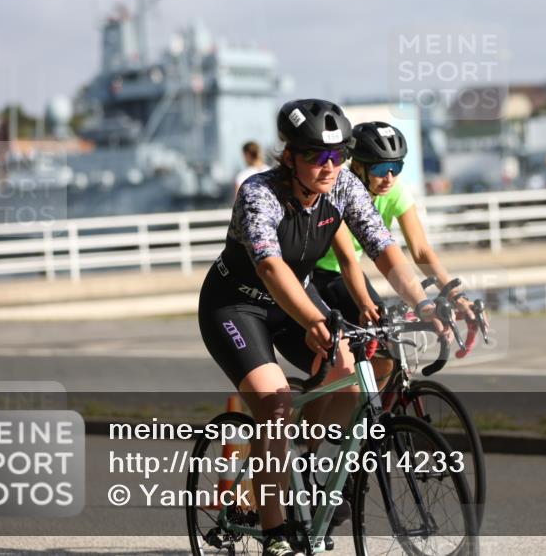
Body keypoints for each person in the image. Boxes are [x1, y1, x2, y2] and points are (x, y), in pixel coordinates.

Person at [198, 100, 449, 556]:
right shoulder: (259, 194)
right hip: (236, 306)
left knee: (350, 378)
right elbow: (270, 267)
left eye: (337, 155)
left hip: (295, 300)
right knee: (275, 405)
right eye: (316, 156)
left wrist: (424, 302)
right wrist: (314, 319)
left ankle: (298, 460)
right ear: (290, 156)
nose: (329, 166)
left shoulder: (344, 187)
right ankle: (275, 532)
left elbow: (383, 248)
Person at [312, 121, 487, 379]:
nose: (389, 178)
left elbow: (421, 251)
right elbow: (346, 257)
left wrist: (454, 296)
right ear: (357, 166)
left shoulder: (394, 192)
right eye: (381, 169)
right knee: (339, 365)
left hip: (346, 273)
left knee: (388, 361)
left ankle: (372, 406)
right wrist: (367, 304)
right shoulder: (338, 191)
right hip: (315, 274)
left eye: (397, 168)